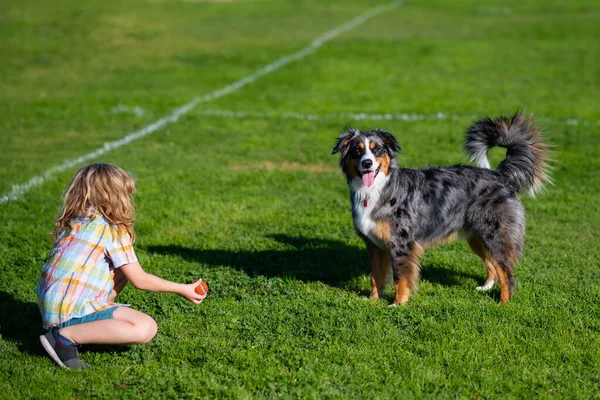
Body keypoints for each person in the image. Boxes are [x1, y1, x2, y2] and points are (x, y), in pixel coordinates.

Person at [36, 163, 206, 369]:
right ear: (117, 196)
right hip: (69, 314)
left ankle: (81, 327)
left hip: (51, 311)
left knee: (122, 268)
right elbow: (140, 280)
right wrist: (182, 288)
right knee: (145, 327)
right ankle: (63, 338)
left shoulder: (77, 221)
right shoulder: (112, 229)